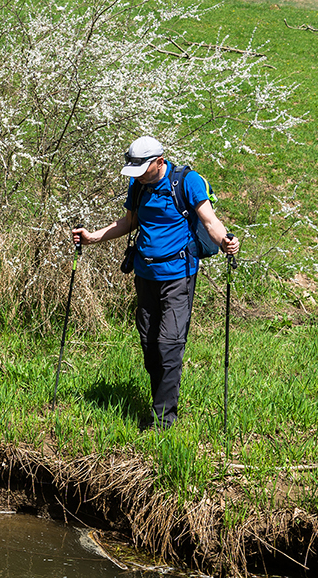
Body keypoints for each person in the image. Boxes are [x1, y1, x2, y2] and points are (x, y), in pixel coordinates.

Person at [72, 136, 239, 429]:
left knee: (169, 344)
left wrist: (225, 242)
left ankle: (162, 421)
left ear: (159, 162)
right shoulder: (138, 185)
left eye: (143, 170)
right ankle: (159, 401)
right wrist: (93, 237)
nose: (138, 177)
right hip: (144, 275)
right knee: (149, 344)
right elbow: (128, 223)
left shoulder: (187, 182)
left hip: (178, 276)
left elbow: (210, 221)